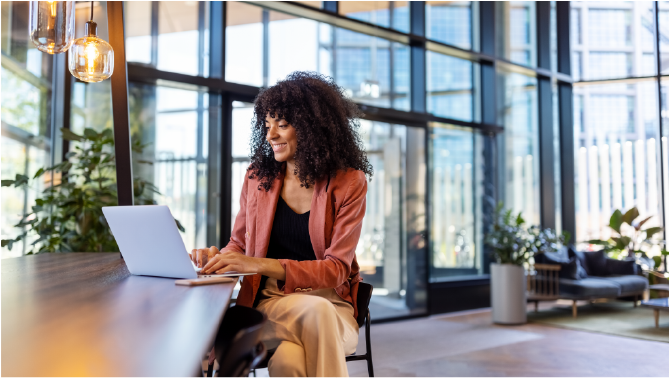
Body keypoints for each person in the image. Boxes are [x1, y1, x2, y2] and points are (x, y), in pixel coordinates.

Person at [191, 71, 373, 378]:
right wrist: (219, 259)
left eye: (282, 125)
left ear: (313, 127)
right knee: (315, 315)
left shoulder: (348, 182)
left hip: (331, 306)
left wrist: (258, 263)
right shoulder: (257, 178)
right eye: (267, 125)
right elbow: (239, 245)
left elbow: (337, 268)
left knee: (290, 360)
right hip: (271, 304)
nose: (270, 135)